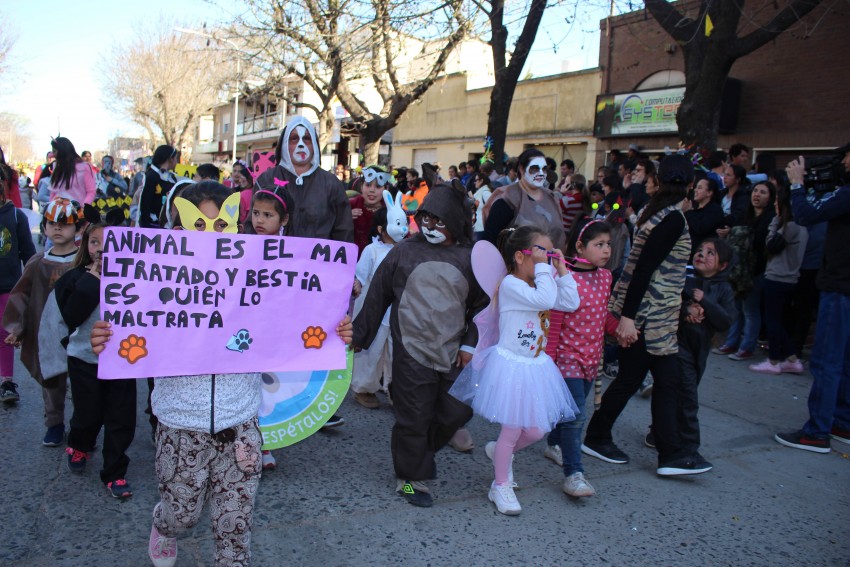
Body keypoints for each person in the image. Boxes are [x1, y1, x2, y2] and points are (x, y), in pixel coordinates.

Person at [90, 180, 354, 566]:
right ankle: (164, 527)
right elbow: (128, 331)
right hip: (180, 426)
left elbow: (292, 320)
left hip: (240, 426)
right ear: (178, 233)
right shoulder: (154, 283)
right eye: (200, 227)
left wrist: (333, 329)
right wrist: (105, 339)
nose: (210, 238)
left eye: (221, 227)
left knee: (234, 535)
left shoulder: (254, 277)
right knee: (181, 516)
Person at [352, 171, 487, 508]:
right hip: (411, 352)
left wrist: (471, 343)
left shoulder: (472, 257)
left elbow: (482, 310)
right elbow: (377, 293)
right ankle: (410, 481)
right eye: (424, 217)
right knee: (413, 419)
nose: (429, 226)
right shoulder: (405, 251)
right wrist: (358, 334)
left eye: (438, 220)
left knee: (457, 410)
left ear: (455, 221)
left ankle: (418, 453)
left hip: (453, 351)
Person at [583, 154, 712, 476]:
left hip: (655, 315)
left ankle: (604, 437)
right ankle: (668, 454)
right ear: (691, 185)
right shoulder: (670, 219)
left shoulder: (658, 214)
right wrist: (627, 317)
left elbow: (658, 272)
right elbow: (643, 270)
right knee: (659, 382)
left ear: (658, 180)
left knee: (639, 380)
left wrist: (683, 300)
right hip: (650, 318)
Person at [449, 226, 580, 515]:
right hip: (511, 367)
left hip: (536, 366)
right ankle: (501, 484)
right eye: (539, 255)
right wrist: (548, 271)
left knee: (536, 431)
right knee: (512, 430)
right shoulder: (511, 285)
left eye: (548, 254)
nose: (544, 261)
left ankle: (499, 453)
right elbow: (546, 301)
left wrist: (562, 271)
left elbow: (571, 302)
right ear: (520, 257)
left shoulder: (541, 283)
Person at [256, 116, 353, 429]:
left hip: (317, 281)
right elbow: (251, 225)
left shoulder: (330, 184)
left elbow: (343, 232)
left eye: (307, 138)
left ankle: (312, 406)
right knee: (271, 338)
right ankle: (265, 410)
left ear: (315, 144)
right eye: (294, 138)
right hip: (273, 278)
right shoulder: (268, 177)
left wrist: (344, 274)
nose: (300, 145)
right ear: (285, 143)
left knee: (313, 340)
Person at [54, 213, 136, 499]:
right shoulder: (75, 278)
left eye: (109, 242)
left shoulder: (134, 276)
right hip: (84, 359)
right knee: (87, 414)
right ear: (84, 244)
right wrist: (95, 277)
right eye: (95, 242)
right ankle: (79, 444)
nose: (101, 248)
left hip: (124, 362)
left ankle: (115, 473)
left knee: (121, 418)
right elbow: (71, 316)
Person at [774, 149, 850, 453]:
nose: (844, 162)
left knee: (827, 361)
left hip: (840, 287)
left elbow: (806, 214)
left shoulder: (846, 194)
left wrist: (796, 184)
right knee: (844, 361)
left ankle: (816, 431)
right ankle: (841, 421)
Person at [543, 218, 614, 498]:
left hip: (592, 358)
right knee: (575, 416)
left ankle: (553, 444)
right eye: (599, 245)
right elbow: (555, 320)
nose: (606, 250)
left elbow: (601, 315)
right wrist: (549, 359)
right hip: (567, 358)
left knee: (570, 411)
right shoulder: (564, 276)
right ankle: (574, 473)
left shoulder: (606, 276)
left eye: (608, 244)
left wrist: (618, 329)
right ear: (580, 247)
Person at [646, 238, 736, 458]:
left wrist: (704, 302)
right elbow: (669, 304)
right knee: (686, 397)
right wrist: (688, 309)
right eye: (699, 250)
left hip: (700, 350)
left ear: (722, 265)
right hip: (676, 345)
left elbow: (726, 320)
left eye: (710, 253)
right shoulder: (684, 281)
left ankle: (661, 432)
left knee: (684, 391)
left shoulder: (724, 289)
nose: (702, 255)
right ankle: (688, 448)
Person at [2, 198, 83, 441]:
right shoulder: (37, 264)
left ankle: (82, 428)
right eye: (51, 223)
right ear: (45, 227)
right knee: (51, 382)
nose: (57, 228)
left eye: (65, 223)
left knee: (83, 381)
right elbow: (21, 296)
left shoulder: (85, 263)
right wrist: (17, 328)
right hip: (46, 332)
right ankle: (54, 423)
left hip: (79, 332)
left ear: (78, 229)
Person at [351, 194, 409, 409]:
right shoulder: (372, 250)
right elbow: (361, 276)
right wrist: (356, 284)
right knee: (371, 350)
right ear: (380, 229)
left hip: (398, 311)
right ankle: (364, 387)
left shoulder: (406, 251)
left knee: (397, 352)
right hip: (375, 310)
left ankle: (396, 390)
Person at [749, 186, 808, 375]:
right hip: (790, 278)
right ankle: (791, 358)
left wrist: (775, 222)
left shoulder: (789, 227)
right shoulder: (802, 227)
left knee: (773, 320)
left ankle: (774, 360)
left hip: (778, 277)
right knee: (777, 320)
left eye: (776, 203)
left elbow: (770, 246)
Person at [715, 182, 776, 361]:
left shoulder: (771, 219)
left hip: (756, 270)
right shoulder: (744, 215)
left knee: (750, 310)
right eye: (755, 191)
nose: (757, 195)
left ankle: (747, 346)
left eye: (763, 192)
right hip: (737, 271)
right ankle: (731, 342)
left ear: (770, 198)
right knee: (736, 309)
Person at [0, 169, 37, 403]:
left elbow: (29, 254)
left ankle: (6, 381)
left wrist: (32, 286)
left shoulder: (15, 216)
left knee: (5, 334)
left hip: (7, 287)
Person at [482, 148, 565, 250]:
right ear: (521, 169)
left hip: (551, 263)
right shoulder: (507, 199)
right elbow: (491, 241)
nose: (541, 173)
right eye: (534, 168)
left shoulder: (551, 198)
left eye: (544, 169)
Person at [350, 166, 391, 255]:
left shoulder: (391, 211)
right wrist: (345, 216)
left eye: (378, 186)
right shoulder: (350, 206)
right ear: (361, 186)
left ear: (386, 189)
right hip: (352, 260)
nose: (372, 190)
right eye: (368, 185)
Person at [138, 145, 178, 228]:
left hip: (167, 224)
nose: (176, 161)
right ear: (170, 159)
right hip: (152, 225)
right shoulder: (151, 176)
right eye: (176, 158)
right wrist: (145, 228)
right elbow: (145, 203)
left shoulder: (171, 177)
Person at [684, 177, 724, 258]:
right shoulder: (693, 207)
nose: (695, 190)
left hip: (703, 254)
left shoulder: (715, 210)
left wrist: (688, 212)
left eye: (699, 188)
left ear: (709, 193)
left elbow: (701, 228)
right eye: (696, 187)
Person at [49, 137, 96, 205]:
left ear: (62, 152)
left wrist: (82, 209)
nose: (52, 155)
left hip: (77, 212)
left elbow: (91, 192)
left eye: (54, 151)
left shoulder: (84, 167)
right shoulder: (56, 166)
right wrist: (51, 207)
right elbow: (53, 192)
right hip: (58, 212)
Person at [471, 171, 493, 241]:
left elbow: (493, 207)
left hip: (482, 227)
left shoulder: (485, 193)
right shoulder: (480, 193)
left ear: (481, 181)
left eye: (476, 180)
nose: (474, 182)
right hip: (478, 226)